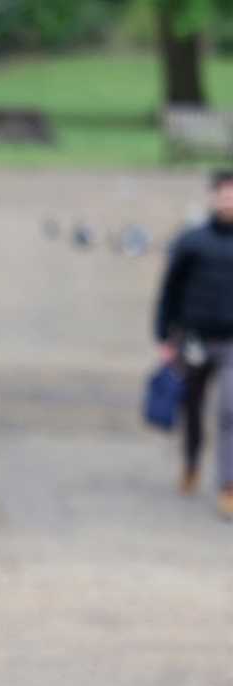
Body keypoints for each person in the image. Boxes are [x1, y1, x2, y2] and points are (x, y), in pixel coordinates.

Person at [154, 169, 233, 518]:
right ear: (213, 197)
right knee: (193, 409)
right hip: (195, 339)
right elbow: (170, 291)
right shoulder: (191, 241)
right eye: (225, 194)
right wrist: (164, 336)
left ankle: (228, 486)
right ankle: (190, 463)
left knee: (231, 412)